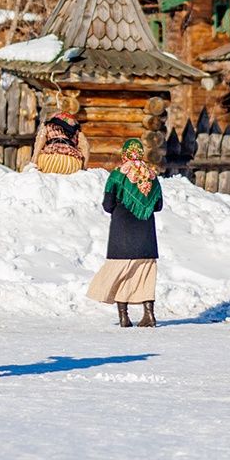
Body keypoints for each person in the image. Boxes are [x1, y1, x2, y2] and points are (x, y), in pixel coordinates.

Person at [90, 139, 165, 328]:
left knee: (119, 272)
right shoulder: (152, 176)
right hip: (146, 235)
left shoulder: (117, 176)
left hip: (122, 234)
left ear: (125, 154)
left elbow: (108, 206)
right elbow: (158, 206)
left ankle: (124, 316)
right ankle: (149, 315)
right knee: (145, 274)